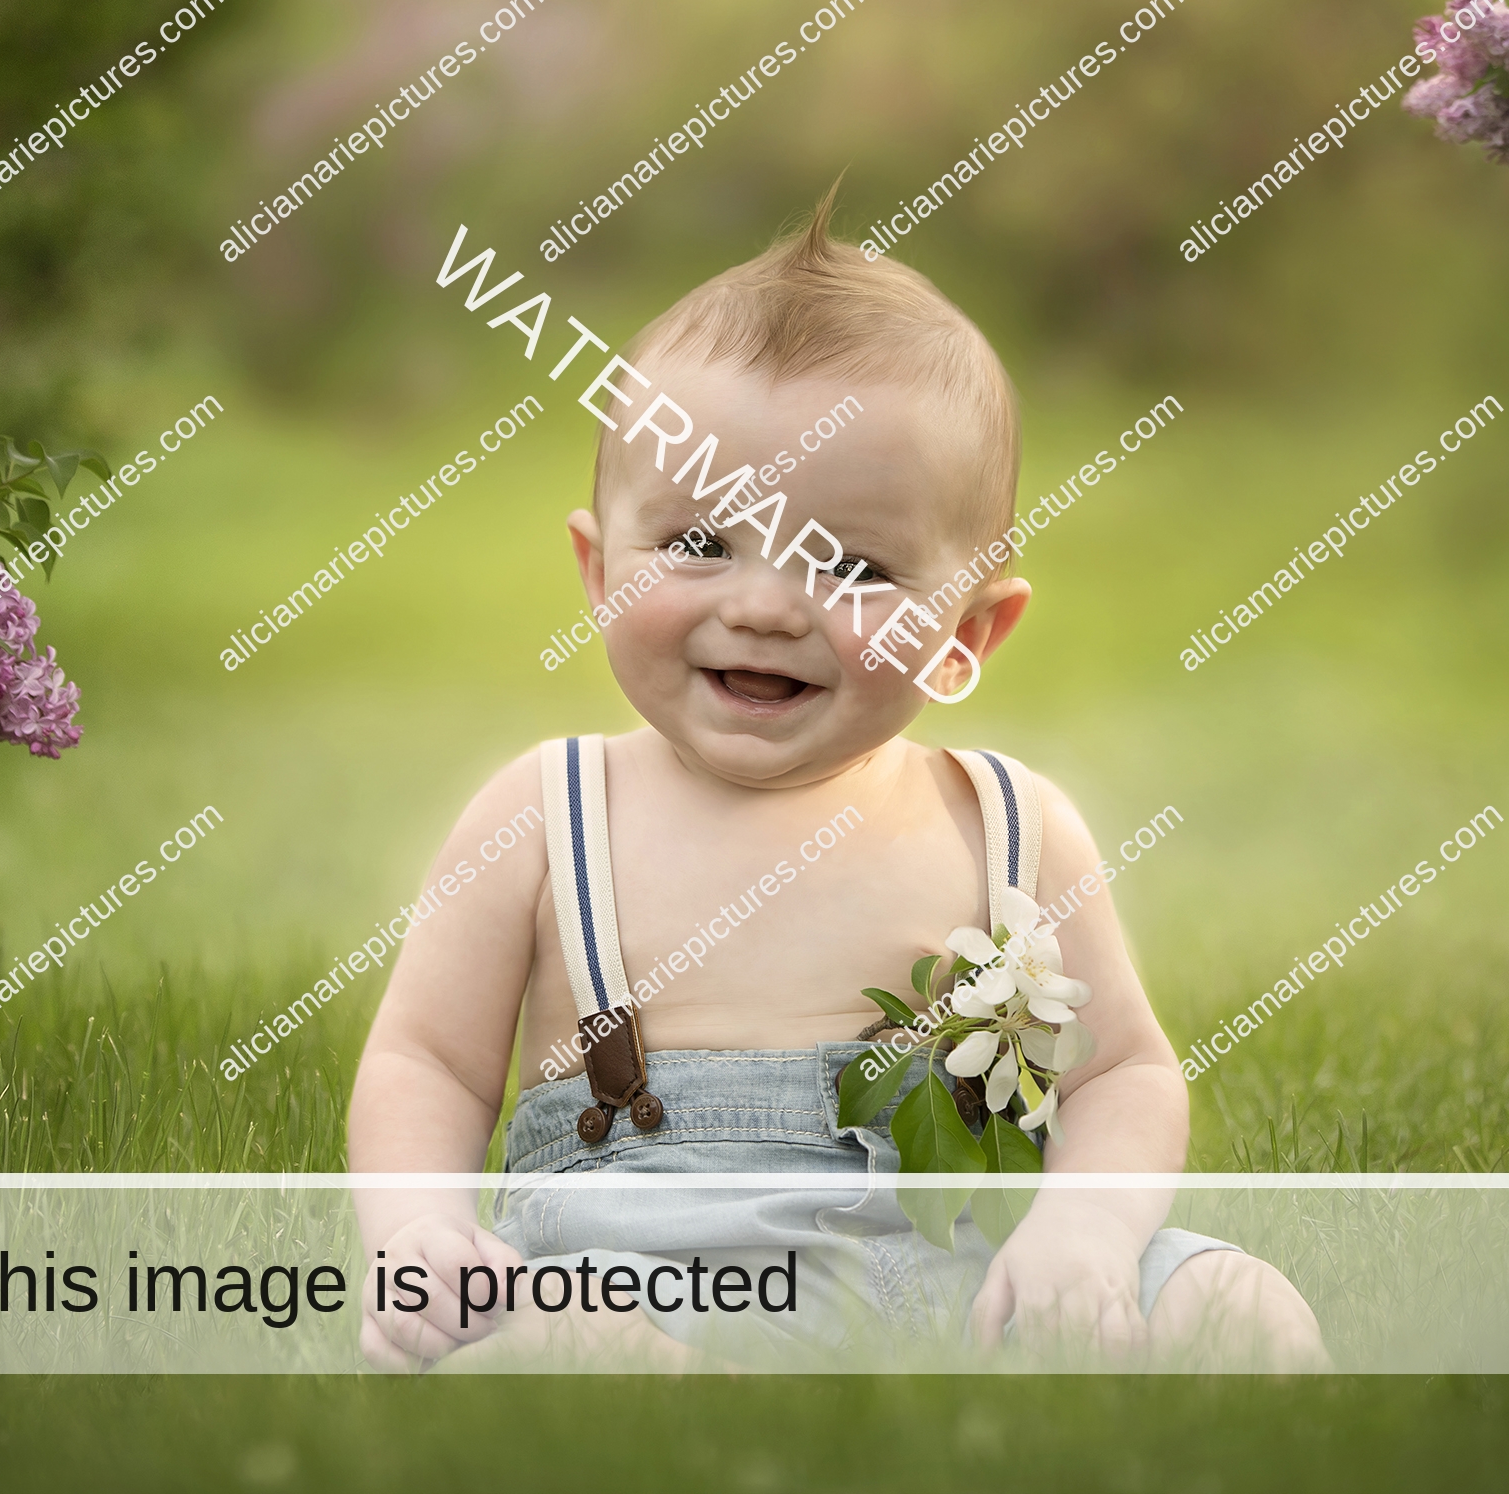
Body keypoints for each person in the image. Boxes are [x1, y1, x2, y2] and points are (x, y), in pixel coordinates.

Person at [348, 192, 1326, 1373]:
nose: (763, 606)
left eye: (852, 564)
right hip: (631, 1287)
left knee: (1236, 1305)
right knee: (556, 1353)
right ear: (596, 565)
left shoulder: (1008, 826)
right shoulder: (546, 813)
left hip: (969, 1282)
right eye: (700, 542)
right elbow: (427, 1061)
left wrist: (1084, 1230)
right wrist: (421, 1228)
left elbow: (1121, 1068)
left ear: (970, 629)